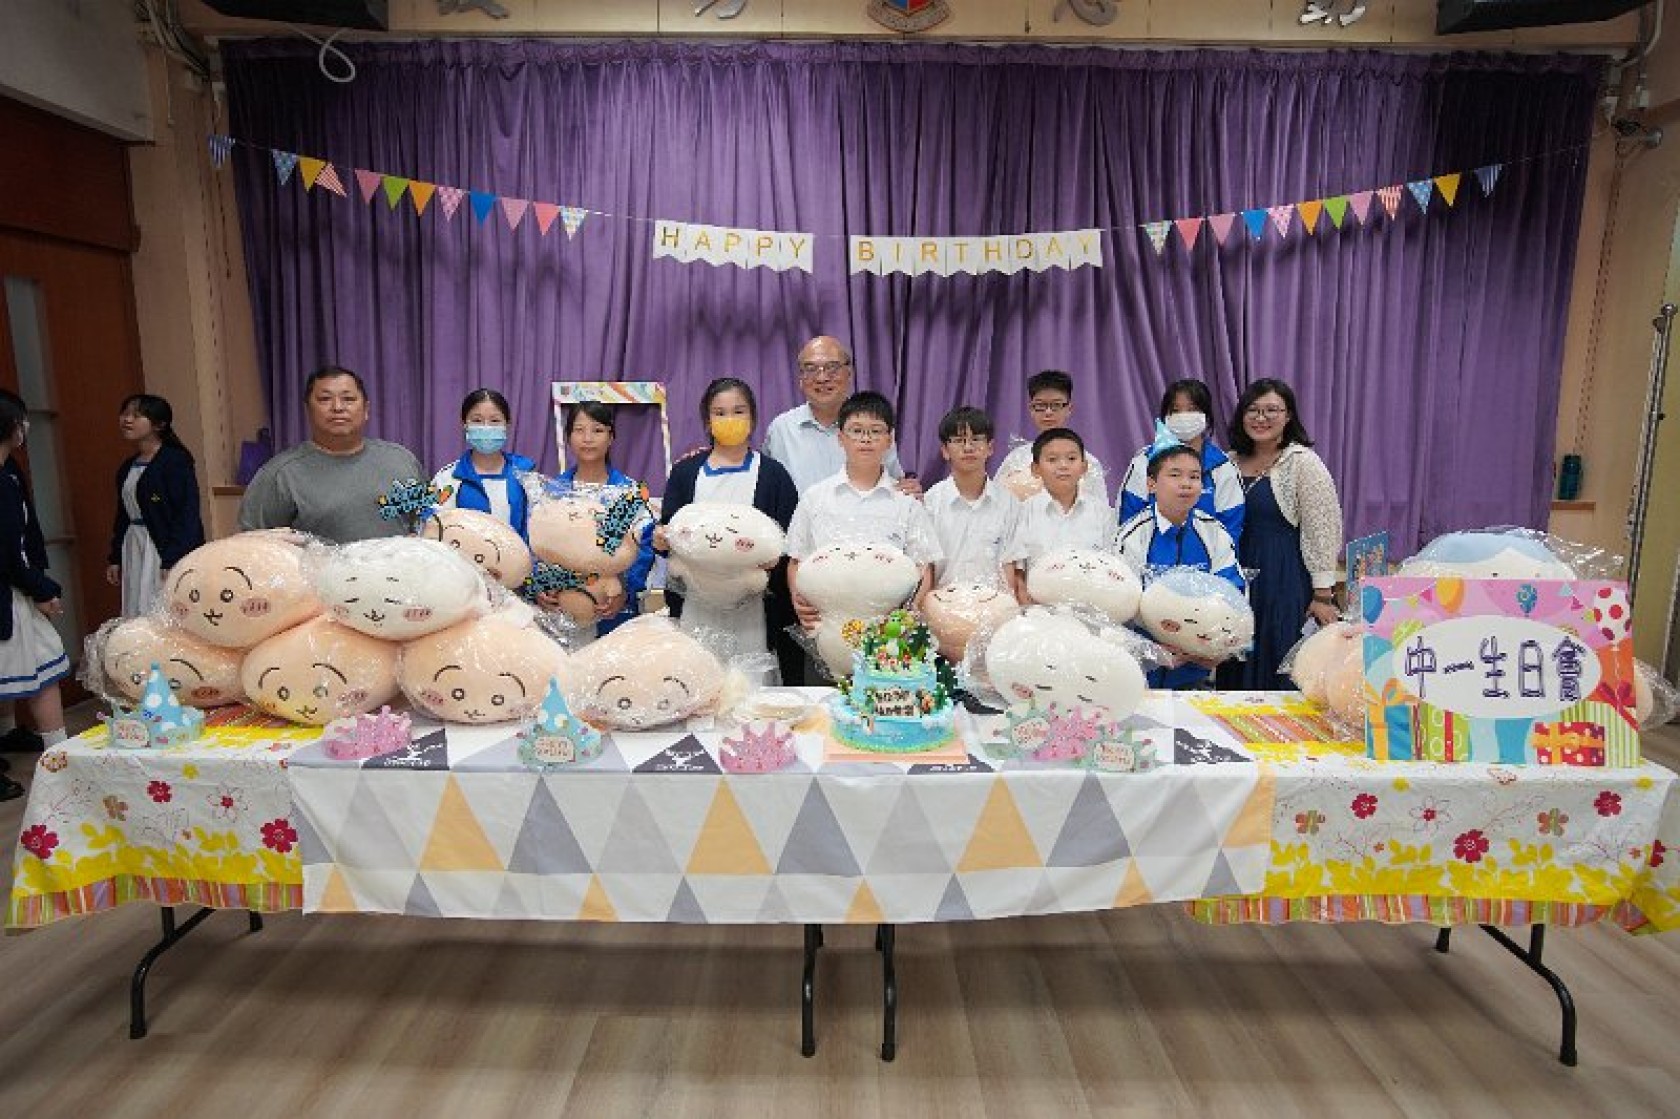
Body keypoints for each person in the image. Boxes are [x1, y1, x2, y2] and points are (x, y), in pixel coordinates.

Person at [656, 378, 801, 684]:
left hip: (754, 608)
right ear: (707, 421)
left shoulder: (773, 475)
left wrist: (775, 560)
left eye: (738, 411)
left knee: (750, 688)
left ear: (753, 418)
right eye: (719, 413)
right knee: (699, 685)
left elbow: (791, 540)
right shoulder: (685, 473)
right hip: (696, 605)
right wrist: (661, 539)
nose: (730, 419)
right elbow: (669, 534)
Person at [1217, 378, 1344, 691]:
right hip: (1234, 580)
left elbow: (1322, 529)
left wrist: (1322, 596)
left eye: (1271, 410)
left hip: (1283, 580)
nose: (1261, 418)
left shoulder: (1302, 463)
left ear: (1288, 416)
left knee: (1279, 662)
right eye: (1253, 410)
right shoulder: (1227, 462)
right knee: (1234, 661)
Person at [786, 391, 941, 629]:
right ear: (840, 438)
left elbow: (924, 566)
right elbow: (797, 559)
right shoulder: (815, 498)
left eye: (876, 431)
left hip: (889, 633)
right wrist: (799, 602)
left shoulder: (907, 503)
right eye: (856, 430)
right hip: (827, 627)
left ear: (889, 439)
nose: (866, 439)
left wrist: (907, 615)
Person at [1115, 429, 1245, 689]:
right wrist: (1154, 647)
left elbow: (1233, 589)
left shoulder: (1214, 533)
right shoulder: (1132, 535)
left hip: (1197, 665)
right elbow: (1122, 599)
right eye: (1175, 475)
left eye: (1194, 476)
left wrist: (1213, 644)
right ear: (1151, 484)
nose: (1186, 483)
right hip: (1142, 668)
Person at [238, 365, 424, 544]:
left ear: (366, 410)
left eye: (348, 399)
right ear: (308, 410)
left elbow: (428, 521)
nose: (337, 407)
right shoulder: (280, 476)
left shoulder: (401, 461)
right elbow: (252, 547)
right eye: (325, 399)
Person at [0, 393, 69, 800]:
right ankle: (59, 757)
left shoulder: (9, 471)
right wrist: (41, 589)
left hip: (14, 587)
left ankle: (56, 754)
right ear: (13, 427)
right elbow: (9, 551)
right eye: (22, 422)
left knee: (41, 659)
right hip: (9, 590)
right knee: (45, 660)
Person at [547, 401, 655, 639]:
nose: (588, 438)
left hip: (613, 612)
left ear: (611, 437)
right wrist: (541, 585)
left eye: (597, 430)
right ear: (568, 437)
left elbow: (644, 546)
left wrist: (625, 590)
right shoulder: (554, 492)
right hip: (565, 611)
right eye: (579, 430)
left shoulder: (627, 492)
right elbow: (540, 546)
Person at [764, 335, 918, 495]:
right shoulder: (780, 429)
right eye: (811, 369)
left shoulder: (875, 426)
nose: (822, 378)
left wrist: (909, 490)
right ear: (801, 379)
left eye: (832, 367)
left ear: (849, 373)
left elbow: (895, 483)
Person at [105, 394, 204, 618]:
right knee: (136, 605)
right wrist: (115, 557)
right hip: (135, 544)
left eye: (137, 415)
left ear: (159, 424)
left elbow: (186, 514)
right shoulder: (127, 467)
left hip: (160, 546)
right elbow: (123, 515)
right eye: (125, 413)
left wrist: (174, 557)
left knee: (162, 607)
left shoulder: (175, 462)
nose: (127, 420)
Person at [1117, 378, 1245, 545]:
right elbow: (1128, 518)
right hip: (1149, 558)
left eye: (1192, 409)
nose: (1184, 417)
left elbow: (1231, 527)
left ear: (1206, 416)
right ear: (1165, 417)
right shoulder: (1145, 461)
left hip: (1207, 559)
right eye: (1175, 411)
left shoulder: (1222, 466)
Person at [1002, 427, 1114, 603]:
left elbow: (1112, 566)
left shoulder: (1103, 514)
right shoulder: (1023, 513)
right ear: (1035, 469)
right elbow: (1018, 574)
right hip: (1039, 610)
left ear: (1084, 467)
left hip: (1092, 607)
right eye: (1052, 459)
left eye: (1071, 458)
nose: (1063, 466)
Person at [923, 406, 1019, 586]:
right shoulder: (931, 502)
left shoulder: (1010, 504)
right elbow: (926, 567)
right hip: (942, 599)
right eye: (959, 440)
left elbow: (1012, 565)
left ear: (990, 447)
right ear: (945, 450)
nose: (968, 447)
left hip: (996, 600)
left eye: (976, 439)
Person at [430, 388, 537, 538]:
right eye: (477, 420)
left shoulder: (525, 474)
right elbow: (433, 529)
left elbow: (537, 528)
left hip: (519, 553)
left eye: (495, 421)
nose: (486, 427)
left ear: (507, 424)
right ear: (464, 424)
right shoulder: (448, 478)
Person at [993, 370, 1109, 503]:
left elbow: (1100, 510)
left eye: (1056, 405)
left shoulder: (1088, 463)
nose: (1048, 412)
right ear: (1031, 409)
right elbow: (997, 505)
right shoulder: (1015, 460)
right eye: (1040, 405)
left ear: (1069, 409)